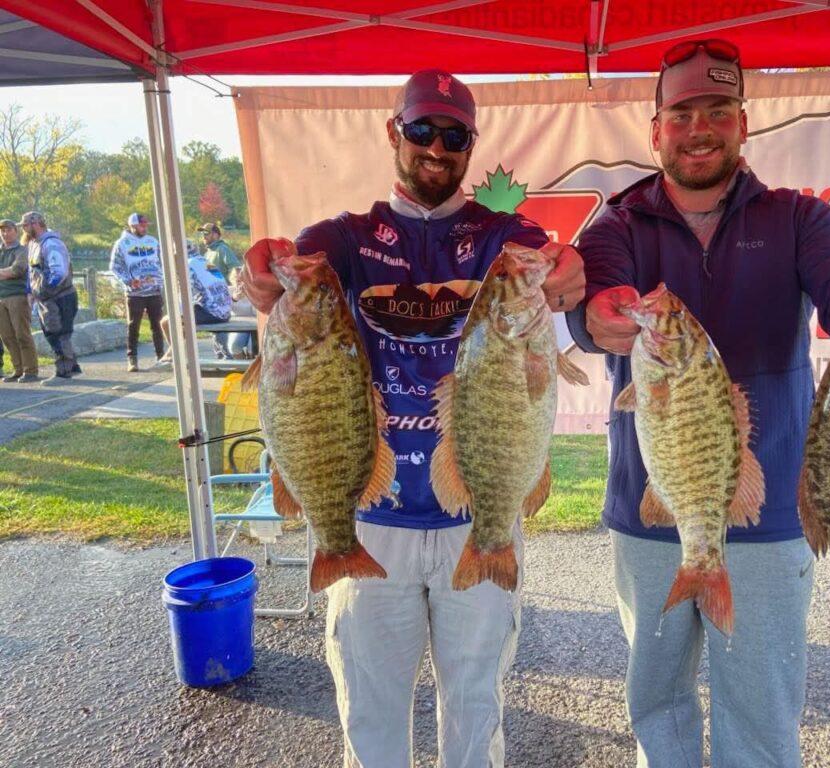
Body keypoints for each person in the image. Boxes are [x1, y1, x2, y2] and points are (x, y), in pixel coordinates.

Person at [566, 40, 830, 768]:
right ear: (655, 127)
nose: (700, 129)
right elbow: (595, 304)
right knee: (655, 708)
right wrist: (597, 316)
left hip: (775, 510)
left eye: (717, 111)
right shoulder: (617, 227)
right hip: (651, 506)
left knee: (760, 719)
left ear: (743, 123)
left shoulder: (800, 220)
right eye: (683, 113)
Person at [241, 68, 584, 767]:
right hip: (369, 518)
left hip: (475, 517)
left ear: (470, 146)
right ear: (394, 132)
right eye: (421, 128)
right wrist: (262, 271)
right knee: (369, 713)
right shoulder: (341, 239)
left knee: (476, 711)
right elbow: (281, 273)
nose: (436, 147)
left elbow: (553, 258)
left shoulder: (500, 238)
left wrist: (568, 266)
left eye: (453, 135)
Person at [21, 211, 79, 384]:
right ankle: (71, 367)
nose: (23, 229)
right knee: (51, 332)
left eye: (25, 225)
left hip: (60, 297)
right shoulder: (33, 243)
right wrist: (30, 291)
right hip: (45, 299)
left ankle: (64, 372)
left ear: (36, 223)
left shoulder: (51, 243)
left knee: (58, 333)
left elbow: (59, 272)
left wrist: (45, 290)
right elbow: (32, 272)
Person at [110, 212, 166, 372]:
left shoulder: (153, 242)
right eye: (141, 225)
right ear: (132, 225)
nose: (144, 227)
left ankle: (161, 357)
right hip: (135, 293)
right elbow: (115, 267)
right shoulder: (122, 243)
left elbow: (163, 262)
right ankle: (132, 359)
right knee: (134, 325)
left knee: (158, 324)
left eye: (146, 224)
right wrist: (128, 280)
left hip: (154, 290)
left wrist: (162, 280)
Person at [159, 252, 232, 361]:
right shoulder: (203, 261)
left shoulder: (188, 267)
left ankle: (176, 354)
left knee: (168, 321)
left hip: (213, 312)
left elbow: (186, 295)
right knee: (173, 321)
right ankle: (177, 352)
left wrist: (178, 312)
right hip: (225, 312)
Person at [0, 218, 39, 383]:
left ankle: (30, 370)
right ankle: (18, 370)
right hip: (1, 298)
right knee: (7, 336)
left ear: (15, 231)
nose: (5, 233)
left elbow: (17, 270)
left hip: (17, 296)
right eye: (2, 230)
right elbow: (8, 272)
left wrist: (5, 273)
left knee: (22, 334)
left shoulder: (22, 250)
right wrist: (5, 272)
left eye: (8, 230)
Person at [197, 222, 240, 358]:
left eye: (206, 233)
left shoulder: (223, 249)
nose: (203, 236)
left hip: (224, 297)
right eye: (202, 233)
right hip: (211, 299)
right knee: (216, 334)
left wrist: (234, 290)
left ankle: (228, 360)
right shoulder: (208, 253)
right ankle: (220, 359)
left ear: (216, 234)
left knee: (222, 333)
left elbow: (235, 269)